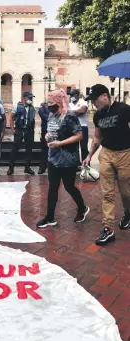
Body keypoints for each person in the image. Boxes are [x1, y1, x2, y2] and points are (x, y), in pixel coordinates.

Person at [83, 84, 130, 245]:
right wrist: (89, 155)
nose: (93, 104)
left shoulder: (124, 109)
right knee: (107, 193)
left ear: (104, 96)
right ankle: (108, 228)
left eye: (94, 100)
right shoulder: (98, 116)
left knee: (126, 193)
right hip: (107, 154)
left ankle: (128, 213)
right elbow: (97, 137)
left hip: (125, 154)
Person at [36, 89, 90, 229]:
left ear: (59, 102)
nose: (49, 105)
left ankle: (82, 208)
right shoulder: (52, 115)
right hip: (53, 157)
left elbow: (79, 135)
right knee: (52, 187)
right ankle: (50, 217)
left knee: (69, 186)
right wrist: (47, 136)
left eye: (51, 102)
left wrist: (60, 143)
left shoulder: (69, 116)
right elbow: (51, 131)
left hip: (68, 158)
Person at [7, 92, 36, 176]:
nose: (31, 99)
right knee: (15, 149)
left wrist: (32, 127)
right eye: (29, 98)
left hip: (29, 131)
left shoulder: (32, 107)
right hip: (19, 130)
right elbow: (11, 117)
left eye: (31, 98)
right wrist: (13, 130)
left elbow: (32, 119)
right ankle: (11, 168)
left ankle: (27, 167)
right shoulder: (17, 107)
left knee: (29, 149)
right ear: (24, 98)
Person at [69, 89, 89, 162]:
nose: (71, 96)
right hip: (72, 128)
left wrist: (70, 112)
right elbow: (66, 114)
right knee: (73, 147)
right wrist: (76, 112)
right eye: (70, 95)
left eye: (72, 95)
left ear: (77, 95)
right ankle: (76, 164)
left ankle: (86, 167)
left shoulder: (83, 102)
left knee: (83, 147)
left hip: (82, 127)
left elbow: (82, 111)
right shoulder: (70, 104)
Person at [38, 100, 49, 174]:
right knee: (44, 150)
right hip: (45, 131)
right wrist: (53, 117)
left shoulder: (57, 106)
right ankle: (42, 167)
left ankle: (52, 167)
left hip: (55, 131)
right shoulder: (43, 106)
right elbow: (42, 114)